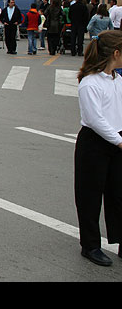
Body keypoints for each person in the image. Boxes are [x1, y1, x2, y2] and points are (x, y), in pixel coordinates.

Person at [74, 30, 122, 267]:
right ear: (115, 53)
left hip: (117, 140)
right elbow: (95, 119)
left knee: (119, 193)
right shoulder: (90, 83)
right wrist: (118, 139)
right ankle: (90, 245)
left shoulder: (118, 80)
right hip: (95, 143)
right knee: (90, 196)